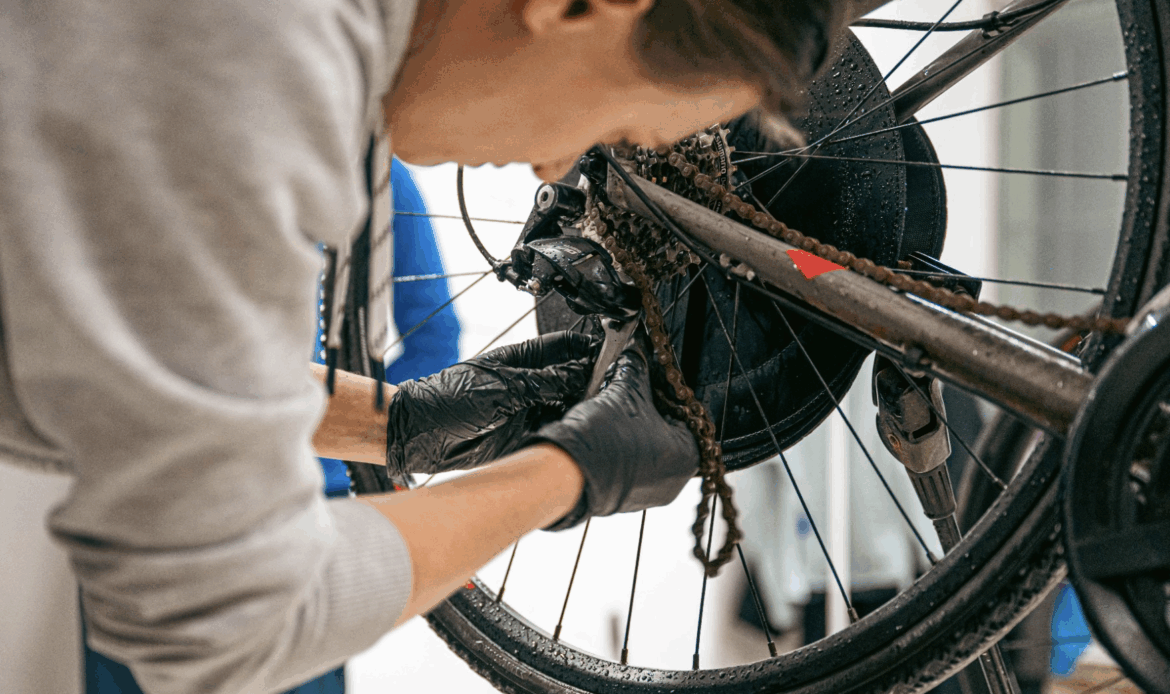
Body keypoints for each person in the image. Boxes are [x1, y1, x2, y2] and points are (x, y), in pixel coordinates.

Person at [0, 1, 848, 692]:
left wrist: (395, 424)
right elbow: (220, 629)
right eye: (620, 118)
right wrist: (566, 475)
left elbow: (142, 383)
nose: (560, 170)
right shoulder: (263, 52)